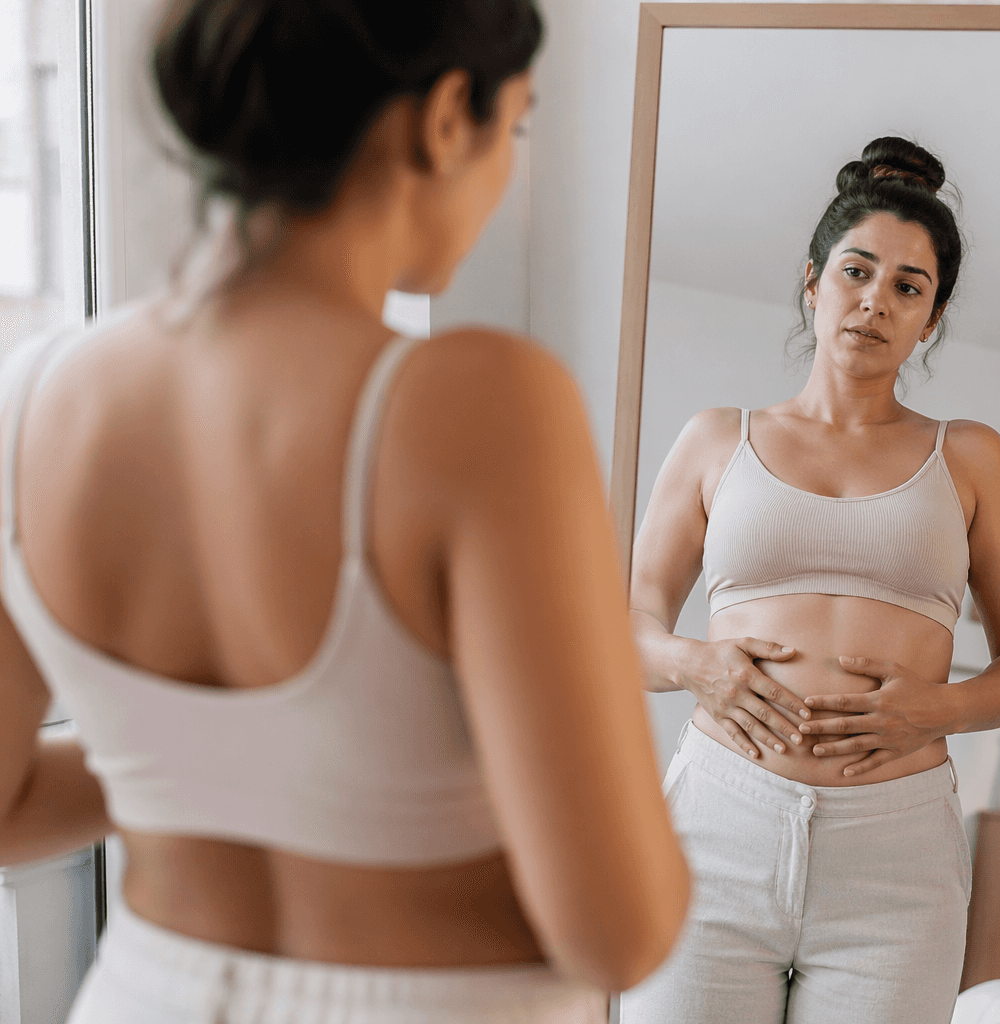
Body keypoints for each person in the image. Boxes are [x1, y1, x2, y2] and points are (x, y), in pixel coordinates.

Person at [0, 2, 689, 1021]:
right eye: (521, 126)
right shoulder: (481, 404)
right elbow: (618, 929)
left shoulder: (34, 398)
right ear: (449, 115)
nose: (510, 174)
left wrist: (211, 761)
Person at [622, 137, 1000, 1024]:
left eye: (910, 286)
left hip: (894, 854)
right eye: (857, 271)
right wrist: (697, 664)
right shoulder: (717, 438)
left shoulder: (969, 455)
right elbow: (623, 629)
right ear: (812, 280)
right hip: (716, 823)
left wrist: (932, 709)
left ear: (930, 319)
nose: (875, 301)